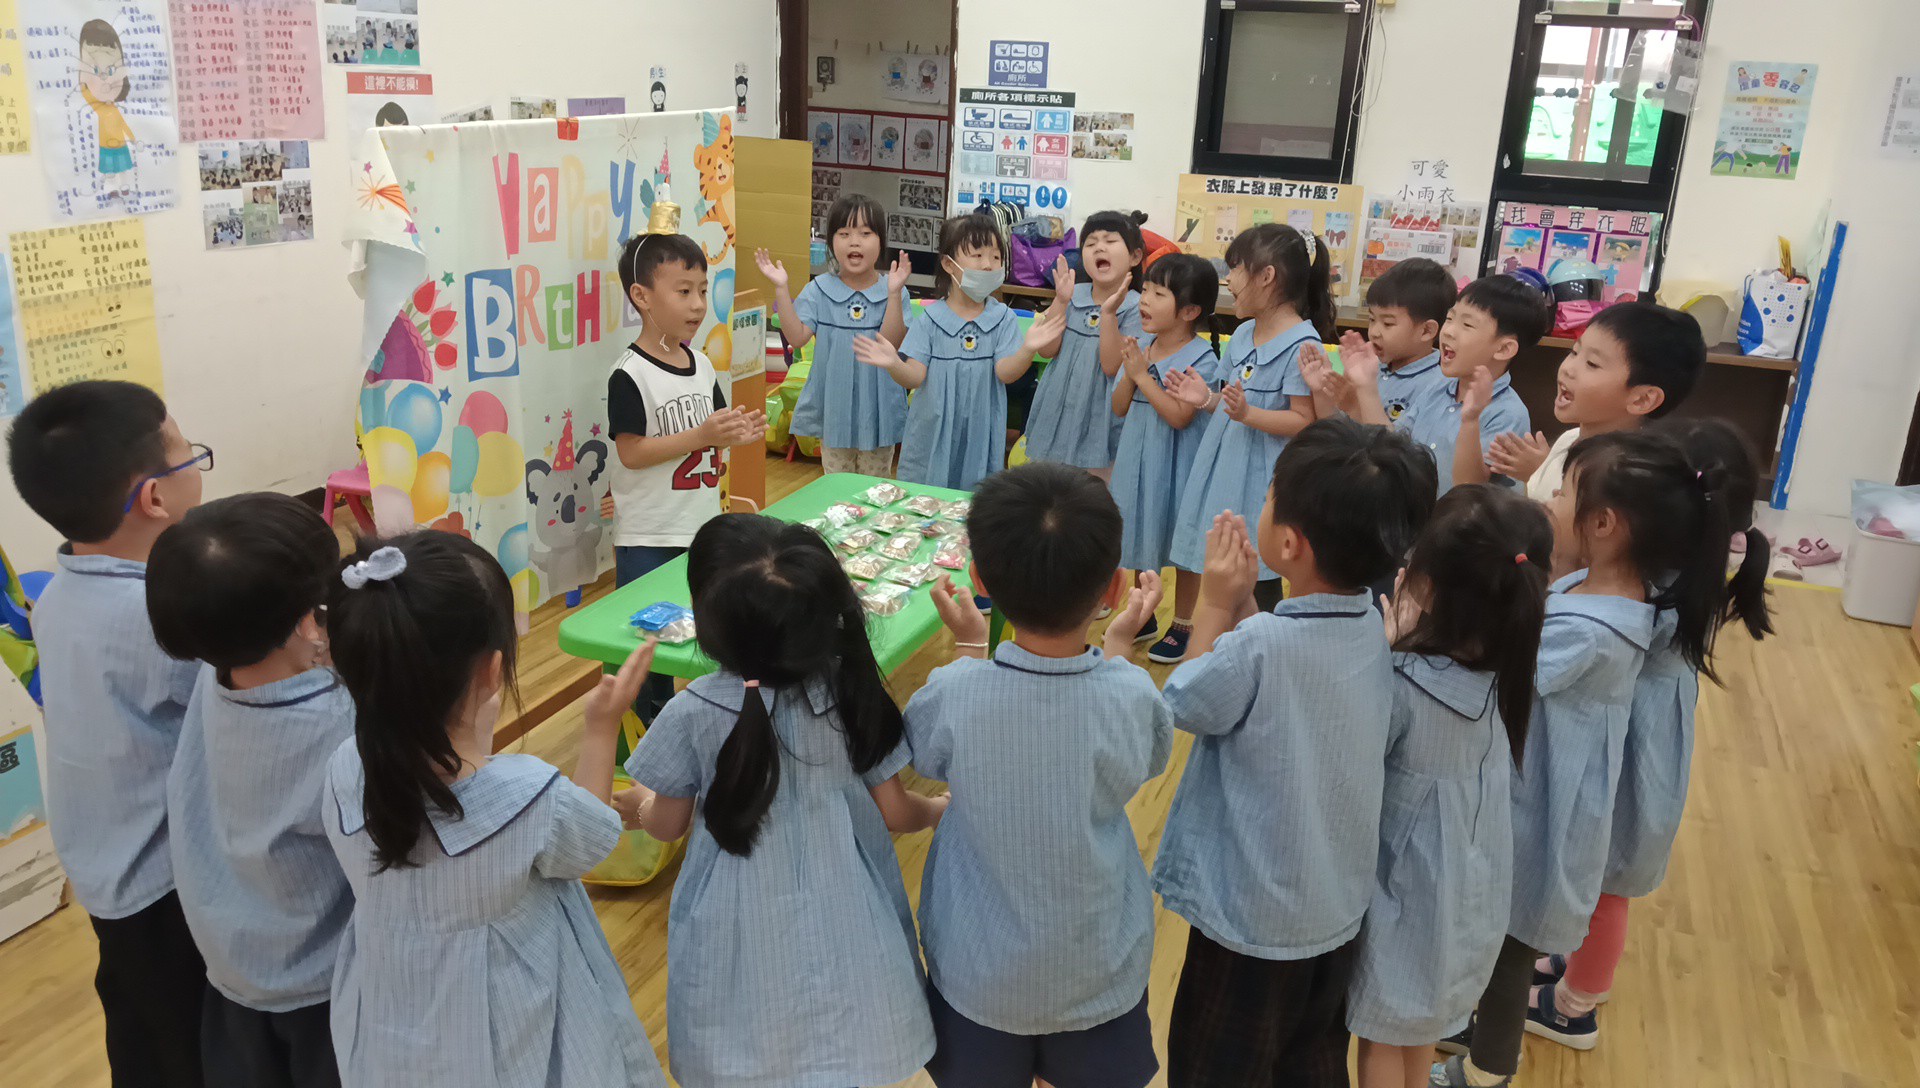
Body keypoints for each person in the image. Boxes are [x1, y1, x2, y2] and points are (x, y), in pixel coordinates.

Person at [1434, 430, 1733, 1088]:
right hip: (1536, 795)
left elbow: (1504, 674)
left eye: (1563, 491)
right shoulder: (1606, 591)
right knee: (1497, 937)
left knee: (1508, 947)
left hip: (1541, 813)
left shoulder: (1596, 631)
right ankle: (1468, 1022)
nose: (1550, 500)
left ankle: (1487, 1070)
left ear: (1603, 524)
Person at [322, 532, 667, 1088]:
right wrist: (602, 727)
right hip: (509, 1032)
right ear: (493, 670)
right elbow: (591, 841)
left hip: (391, 1013)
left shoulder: (344, 768)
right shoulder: (526, 795)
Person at [613, 514, 944, 1088]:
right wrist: (938, 810)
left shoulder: (692, 711)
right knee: (847, 1052)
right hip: (851, 919)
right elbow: (897, 811)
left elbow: (666, 825)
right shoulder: (851, 692)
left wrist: (638, 806)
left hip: (737, 925)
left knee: (748, 1055)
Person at [1154, 417, 1436, 1088]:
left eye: (1269, 493)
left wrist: (1214, 609)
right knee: (1309, 1061)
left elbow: (1184, 703)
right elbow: (1287, 676)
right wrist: (1246, 608)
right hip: (1332, 909)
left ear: (1288, 542)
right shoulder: (1369, 623)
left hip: (1251, 923)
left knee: (1219, 1070)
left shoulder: (1260, 649)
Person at [907, 462, 1175, 1088]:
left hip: (979, 972)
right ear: (1114, 588)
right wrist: (1120, 647)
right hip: (1097, 968)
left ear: (979, 579)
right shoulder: (1133, 695)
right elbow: (1142, 755)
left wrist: (968, 649)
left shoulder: (953, 693)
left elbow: (927, 756)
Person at [1526, 419, 1774, 1050]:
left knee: (1606, 882)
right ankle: (1571, 957)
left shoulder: (1648, 589)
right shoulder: (1687, 568)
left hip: (1630, 743)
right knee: (1597, 880)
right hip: (1636, 728)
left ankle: (1575, 1007)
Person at [6, 380, 209, 1086]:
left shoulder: (58, 594)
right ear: (154, 497)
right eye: (191, 456)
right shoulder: (162, 617)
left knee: (138, 1023)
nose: (197, 467)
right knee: (194, 1041)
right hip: (165, 885)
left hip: (101, 868)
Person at [1346, 486, 1552, 1088]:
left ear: (1427, 587)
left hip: (1405, 893)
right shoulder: (1507, 670)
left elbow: (1353, 756)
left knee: (1383, 1035)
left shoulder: (1404, 681)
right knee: (1414, 1031)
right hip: (1464, 888)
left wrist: (1384, 651)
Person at [150, 493, 353, 1088]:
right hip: (321, 988)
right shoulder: (341, 724)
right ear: (308, 620)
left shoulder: (215, 678)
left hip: (231, 969)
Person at [610, 225, 767, 720]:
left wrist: (736, 433)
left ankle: (707, 713)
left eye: (702, 290)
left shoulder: (700, 364)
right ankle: (648, 725)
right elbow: (631, 453)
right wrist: (702, 435)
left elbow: (711, 434)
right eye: (683, 292)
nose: (698, 305)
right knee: (647, 643)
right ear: (642, 297)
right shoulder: (629, 373)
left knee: (706, 628)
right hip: (649, 533)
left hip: (700, 528)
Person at [1166, 223, 1335, 612]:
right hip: (1225, 466)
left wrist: (1248, 413)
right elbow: (1230, 404)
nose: (1228, 279)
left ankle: (1261, 639)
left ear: (1266, 276)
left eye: (1235, 268)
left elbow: (1303, 421)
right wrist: (1205, 398)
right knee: (1224, 566)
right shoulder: (1243, 334)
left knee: (1258, 570)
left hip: (1261, 477)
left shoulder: (1302, 344)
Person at [854, 214, 1064, 490]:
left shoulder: (1003, 318)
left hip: (980, 434)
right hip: (932, 434)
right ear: (948, 264)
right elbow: (914, 376)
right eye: (977, 255)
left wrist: (1027, 349)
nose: (988, 264)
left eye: (996, 257)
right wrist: (894, 363)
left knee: (974, 500)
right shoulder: (931, 319)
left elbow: (1006, 373)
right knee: (925, 497)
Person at [1307, 274, 1549, 496]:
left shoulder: (1507, 413)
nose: (1449, 331)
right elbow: (1394, 447)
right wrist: (1366, 385)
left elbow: (1471, 489)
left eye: (1467, 325)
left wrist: (1471, 420)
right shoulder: (1438, 387)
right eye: (1450, 318)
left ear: (1504, 349)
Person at [1108, 252, 1219, 661]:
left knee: (1183, 546)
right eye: (1146, 290)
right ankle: (1144, 613)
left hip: (1178, 464)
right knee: (1142, 534)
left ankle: (1183, 623)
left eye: (1159, 293)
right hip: (1138, 460)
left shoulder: (1201, 358)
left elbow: (1178, 417)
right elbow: (1118, 407)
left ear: (1189, 311)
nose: (1145, 300)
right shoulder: (1142, 347)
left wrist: (1141, 375)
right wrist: (1131, 372)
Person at [1483, 301, 1708, 503]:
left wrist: (1538, 472)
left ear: (1642, 399)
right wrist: (1540, 472)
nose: (1568, 368)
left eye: (1592, 363)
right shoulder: (1569, 439)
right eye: (1574, 352)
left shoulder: (1623, 481)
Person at [757, 194, 913, 477]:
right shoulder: (819, 289)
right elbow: (797, 337)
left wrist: (893, 293)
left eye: (865, 233)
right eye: (844, 233)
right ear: (831, 242)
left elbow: (890, 344)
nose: (855, 242)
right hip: (834, 410)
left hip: (878, 411)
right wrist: (781, 289)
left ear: (881, 241)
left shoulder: (894, 290)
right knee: (836, 486)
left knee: (874, 489)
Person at [1024, 210, 1147, 475]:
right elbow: (1047, 350)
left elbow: (1111, 366)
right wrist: (1060, 300)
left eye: (1110, 241)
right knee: (1049, 483)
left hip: (1101, 414)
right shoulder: (1072, 294)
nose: (1099, 247)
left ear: (1135, 257)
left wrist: (1108, 314)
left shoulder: (1137, 308)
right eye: (1090, 243)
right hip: (1058, 406)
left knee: (1095, 487)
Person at [1349, 257, 1457, 423]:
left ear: (1426, 331)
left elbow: (1391, 440)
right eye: (1372, 319)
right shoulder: (1371, 367)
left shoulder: (1438, 387)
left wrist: (1365, 390)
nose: (1374, 332)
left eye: (1388, 323)